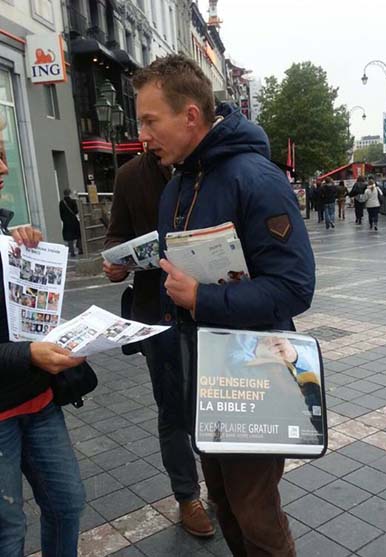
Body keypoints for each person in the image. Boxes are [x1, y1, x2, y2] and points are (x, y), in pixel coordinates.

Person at [133, 54, 315, 556]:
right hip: (202, 370)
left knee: (256, 513)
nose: (143, 135)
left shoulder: (256, 178)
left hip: (256, 371)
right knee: (226, 504)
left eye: (150, 120)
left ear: (190, 116)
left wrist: (203, 297)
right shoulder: (176, 185)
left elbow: (295, 286)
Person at [103, 151, 214, 537]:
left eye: (152, 122)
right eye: (141, 122)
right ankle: (187, 496)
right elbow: (116, 233)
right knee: (171, 408)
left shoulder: (211, 169)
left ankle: (220, 486)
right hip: (156, 314)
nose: (145, 135)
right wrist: (115, 263)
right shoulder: (130, 175)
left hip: (209, 310)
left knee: (211, 402)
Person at [0, 153, 85, 556]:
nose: (3, 168)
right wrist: (29, 355)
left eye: (2, 156)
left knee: (67, 504)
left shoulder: (5, 236)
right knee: (7, 532)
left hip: (38, 401)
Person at [59, 189, 82, 257]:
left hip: (67, 222)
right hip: (74, 221)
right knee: (78, 235)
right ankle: (80, 249)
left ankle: (72, 252)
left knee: (69, 238)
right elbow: (76, 211)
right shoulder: (73, 201)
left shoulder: (61, 202)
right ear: (69, 193)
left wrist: (64, 220)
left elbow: (61, 214)